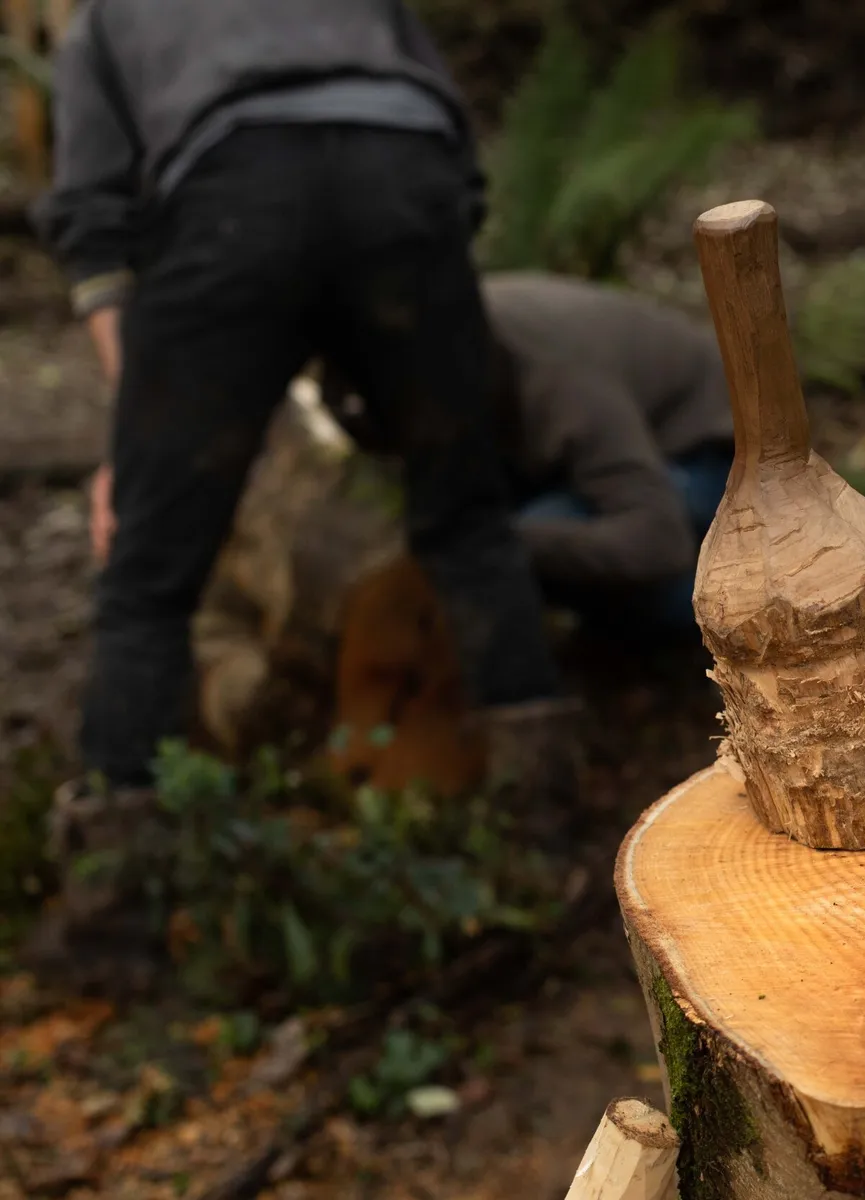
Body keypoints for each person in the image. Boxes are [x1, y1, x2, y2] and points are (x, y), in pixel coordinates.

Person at [30, 0, 573, 987]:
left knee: (149, 580)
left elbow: (95, 235)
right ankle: (540, 836)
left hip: (236, 200)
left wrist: (143, 442)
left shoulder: (102, 19)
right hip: (405, 183)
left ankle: (114, 913)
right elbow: (456, 151)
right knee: (466, 517)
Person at [325, 273, 736, 644]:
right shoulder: (412, 363)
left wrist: (508, 541)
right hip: (615, 454)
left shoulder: (560, 387)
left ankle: (736, 612)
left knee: (534, 535)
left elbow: (660, 540)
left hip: (713, 452)